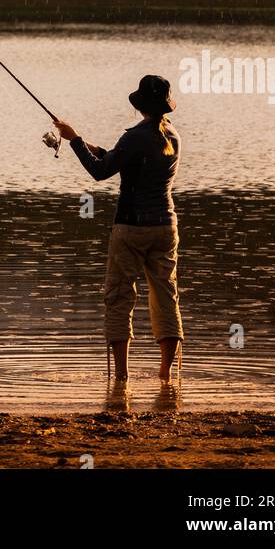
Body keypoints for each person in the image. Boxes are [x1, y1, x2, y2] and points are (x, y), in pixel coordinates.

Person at [54, 75, 183, 383]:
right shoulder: (172, 134)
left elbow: (101, 172)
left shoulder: (136, 135)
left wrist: (73, 140)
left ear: (140, 105)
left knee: (119, 296)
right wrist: (85, 143)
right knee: (166, 296)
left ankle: (122, 375)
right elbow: (117, 158)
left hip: (131, 228)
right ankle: (166, 373)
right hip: (166, 227)